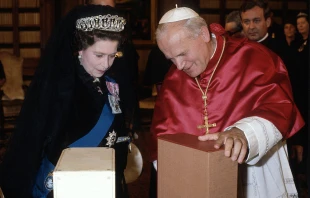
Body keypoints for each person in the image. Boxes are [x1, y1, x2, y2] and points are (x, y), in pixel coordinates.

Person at [148, 6, 304, 198]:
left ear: (204, 34)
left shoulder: (252, 56)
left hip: (253, 176)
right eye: (171, 59)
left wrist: (243, 134)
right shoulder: (173, 79)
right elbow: (162, 139)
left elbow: (278, 106)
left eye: (182, 54)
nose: (179, 66)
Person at [0, 5, 131, 198]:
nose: (106, 64)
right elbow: (39, 140)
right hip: (70, 183)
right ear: (80, 49)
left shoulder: (109, 83)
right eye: (99, 55)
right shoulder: (60, 86)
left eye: (113, 56)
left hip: (105, 178)